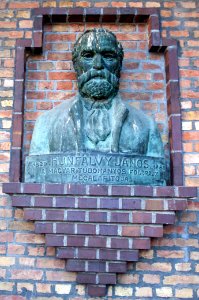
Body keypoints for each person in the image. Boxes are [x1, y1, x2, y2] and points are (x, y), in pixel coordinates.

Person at [29, 28, 164, 158]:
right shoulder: (46, 124)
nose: (98, 64)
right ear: (76, 65)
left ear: (119, 65)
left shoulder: (147, 127)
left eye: (108, 56)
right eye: (88, 56)